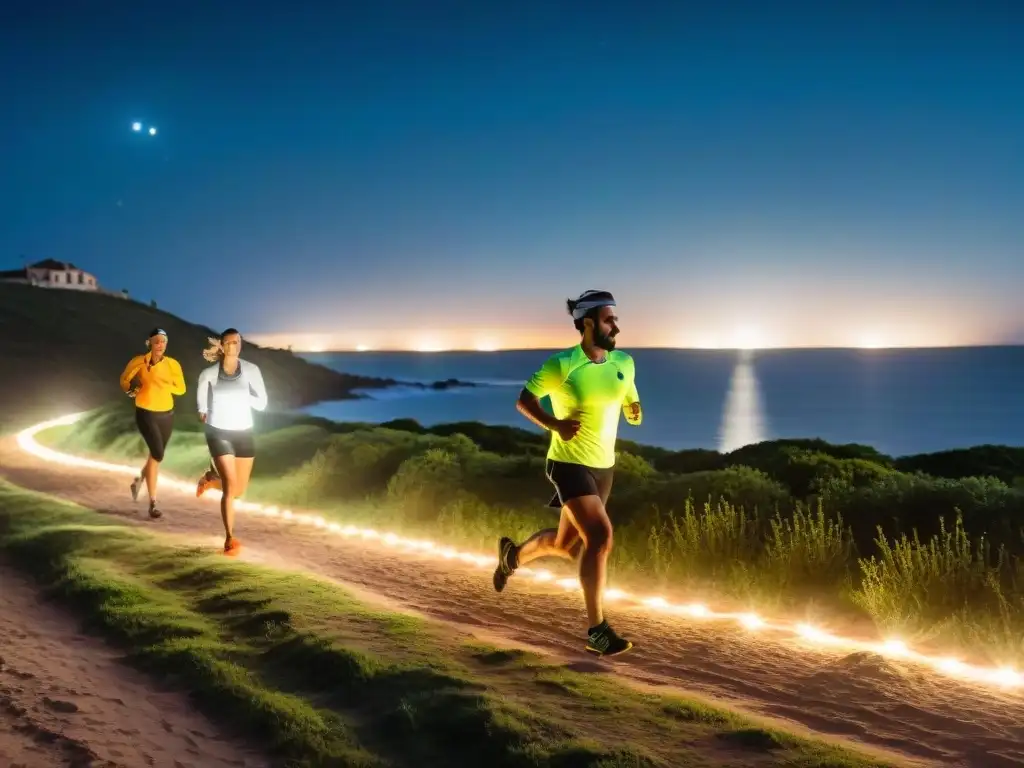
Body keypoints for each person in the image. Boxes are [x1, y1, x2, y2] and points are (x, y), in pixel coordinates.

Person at [492, 289, 642, 657]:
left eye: (616, 319)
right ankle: (598, 631)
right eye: (610, 319)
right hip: (568, 463)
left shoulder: (624, 362)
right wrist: (555, 425)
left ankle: (512, 557)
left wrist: (634, 408)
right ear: (588, 323)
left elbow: (628, 395)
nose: (616, 326)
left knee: (565, 545)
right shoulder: (562, 365)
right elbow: (524, 401)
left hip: (603, 466)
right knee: (601, 537)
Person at [193, 328, 268, 556]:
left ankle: (210, 480)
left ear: (240, 345)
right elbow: (201, 398)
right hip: (219, 432)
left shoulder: (252, 371)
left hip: (244, 432)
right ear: (222, 346)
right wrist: (203, 409)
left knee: (238, 490)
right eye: (228, 342)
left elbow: (263, 404)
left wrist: (246, 393)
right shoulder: (209, 374)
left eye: (237, 342)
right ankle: (229, 538)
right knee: (230, 486)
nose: (233, 346)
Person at [119, 327, 187, 519]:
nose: (160, 345)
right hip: (145, 412)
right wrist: (130, 390)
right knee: (157, 453)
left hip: (167, 413)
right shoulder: (139, 361)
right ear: (149, 343)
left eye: (163, 341)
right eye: (156, 341)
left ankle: (139, 480)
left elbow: (181, 389)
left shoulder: (173, 364)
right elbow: (125, 379)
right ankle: (153, 503)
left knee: (156, 457)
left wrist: (165, 385)